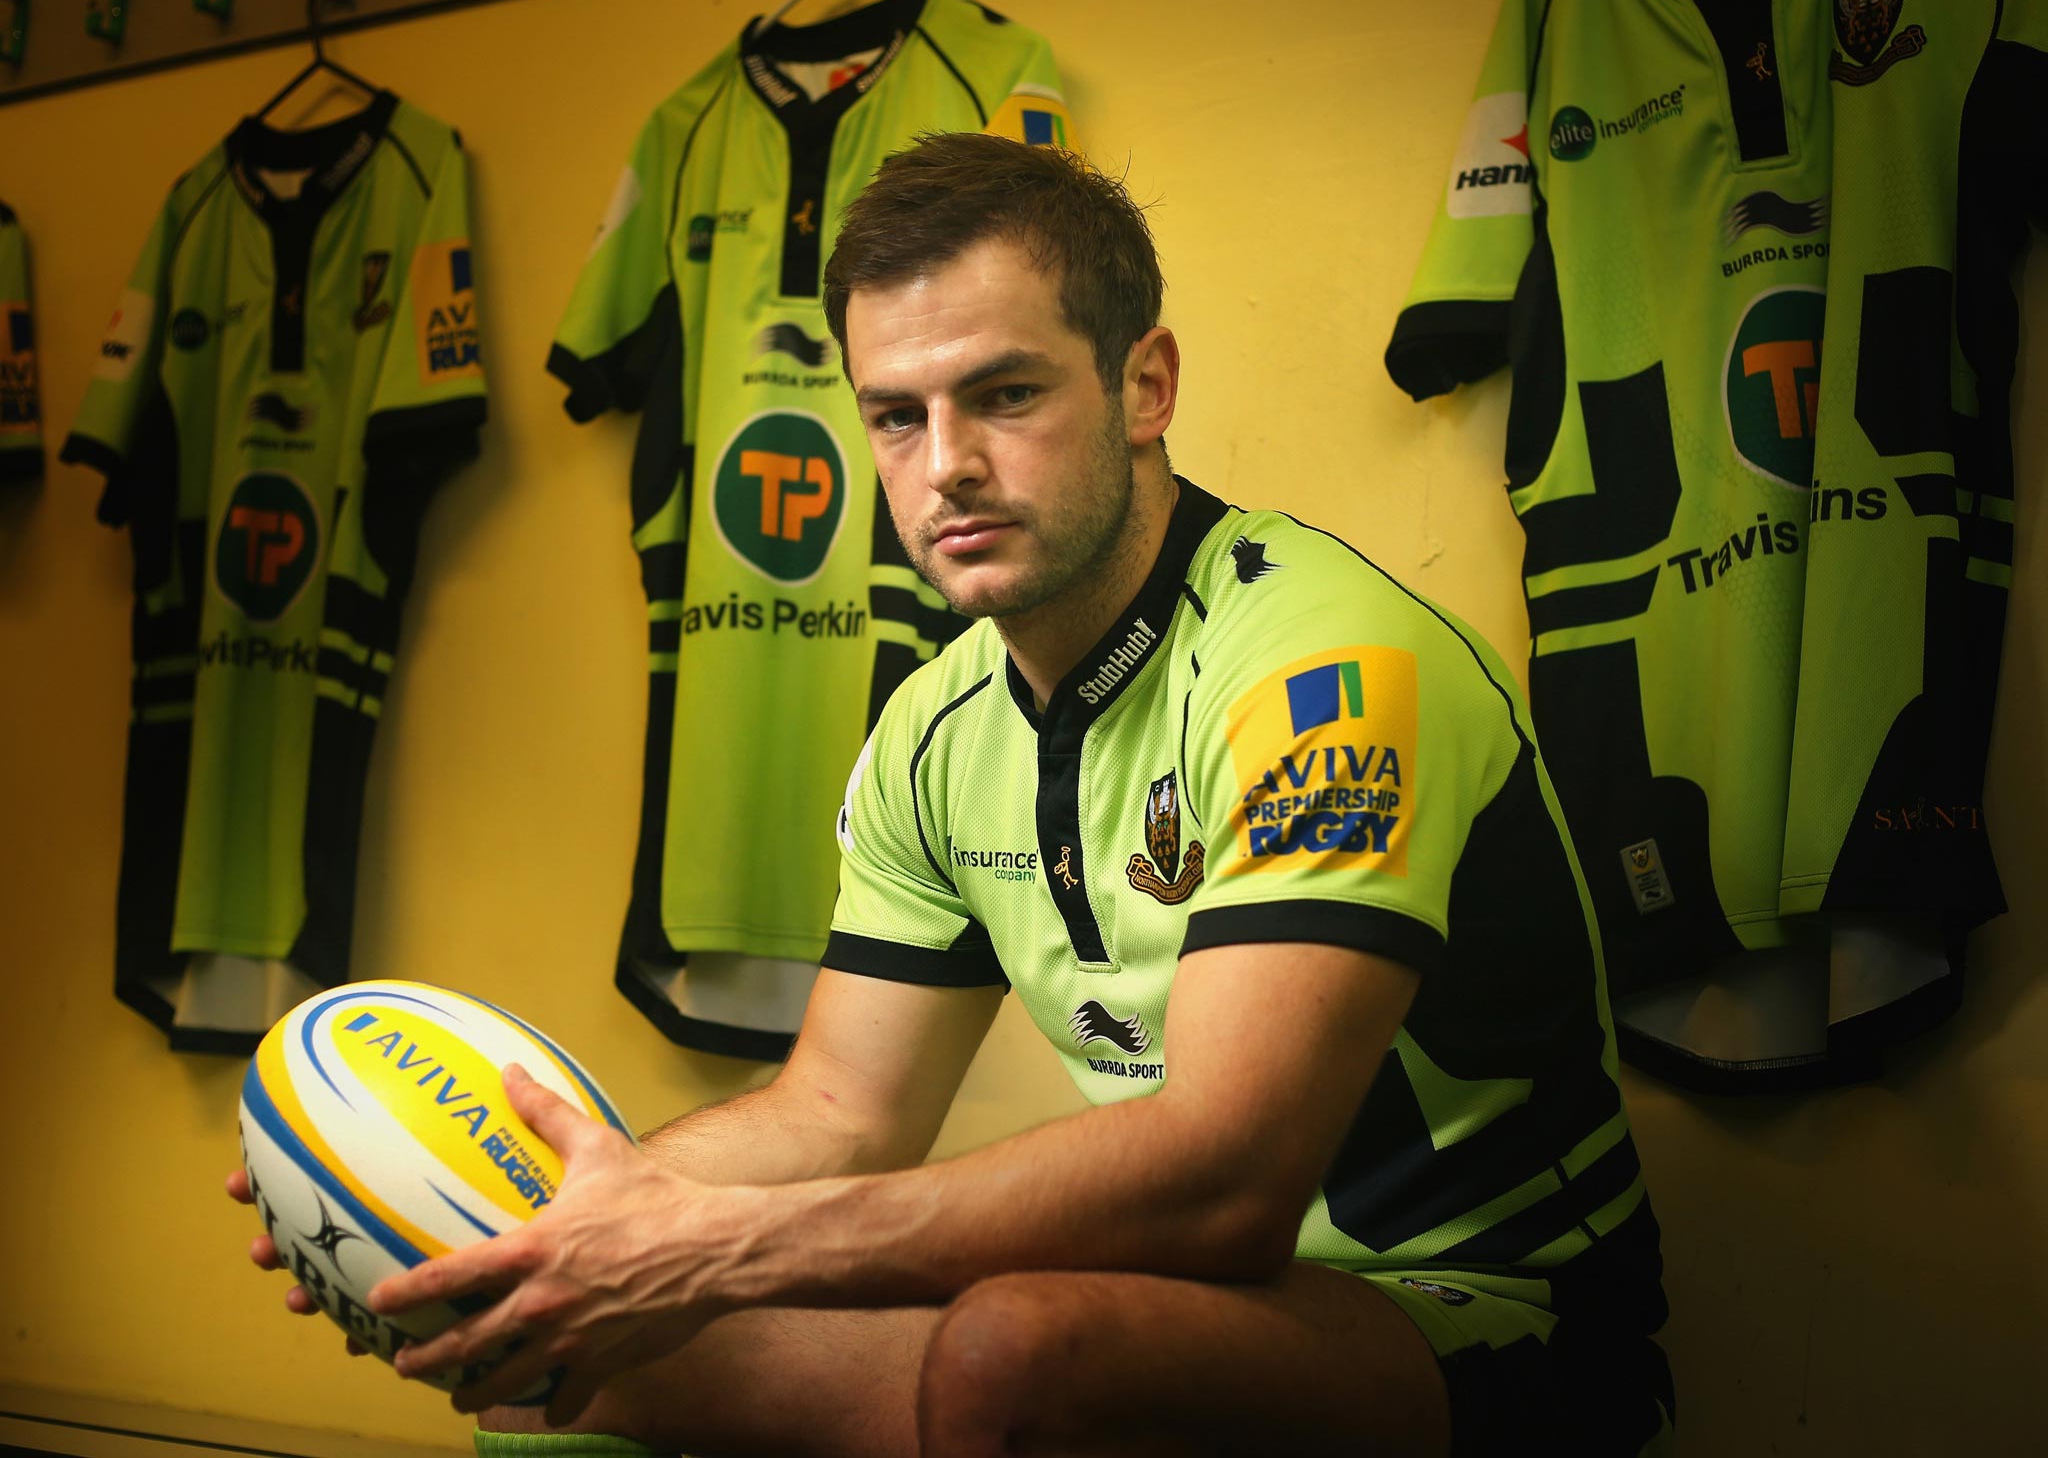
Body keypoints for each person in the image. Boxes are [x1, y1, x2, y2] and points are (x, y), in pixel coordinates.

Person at [230, 133, 1673, 1457]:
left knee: (1013, 1352)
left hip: (1491, 1320)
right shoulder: (933, 729)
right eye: (896, 418)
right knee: (569, 1368)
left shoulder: (1322, 667)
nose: (948, 468)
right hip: (1194, 1297)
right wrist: (511, 1223)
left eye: (1004, 393)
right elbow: (844, 1111)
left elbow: (1224, 1179)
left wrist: (704, 1256)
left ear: (1145, 382)